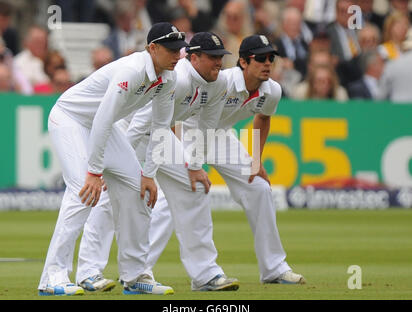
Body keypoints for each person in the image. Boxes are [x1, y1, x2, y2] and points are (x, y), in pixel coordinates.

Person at [76, 31, 240, 293]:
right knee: (111, 198)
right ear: (194, 57)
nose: (219, 63)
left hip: (159, 135)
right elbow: (141, 122)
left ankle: (205, 274)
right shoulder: (180, 79)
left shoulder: (218, 83)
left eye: (221, 57)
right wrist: (120, 164)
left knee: (194, 186)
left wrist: (196, 166)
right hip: (131, 132)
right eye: (213, 57)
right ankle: (88, 271)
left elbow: (207, 126)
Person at [38, 22, 187, 296]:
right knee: (82, 192)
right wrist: (94, 172)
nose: (178, 55)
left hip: (101, 125)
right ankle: (53, 277)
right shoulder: (130, 71)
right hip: (71, 119)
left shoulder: (169, 77)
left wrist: (149, 174)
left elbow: (160, 127)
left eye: (180, 49)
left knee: (138, 190)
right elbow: (104, 119)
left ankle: (134, 275)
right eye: (171, 50)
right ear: (152, 49)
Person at [144, 35, 306, 285]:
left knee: (259, 188)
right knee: (180, 194)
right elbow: (179, 111)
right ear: (242, 61)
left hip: (220, 136)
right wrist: (178, 151)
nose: (267, 63)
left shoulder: (272, 90)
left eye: (270, 58)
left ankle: (274, 269)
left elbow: (262, 118)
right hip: (190, 132)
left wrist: (256, 159)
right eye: (260, 58)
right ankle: (139, 270)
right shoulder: (224, 81)